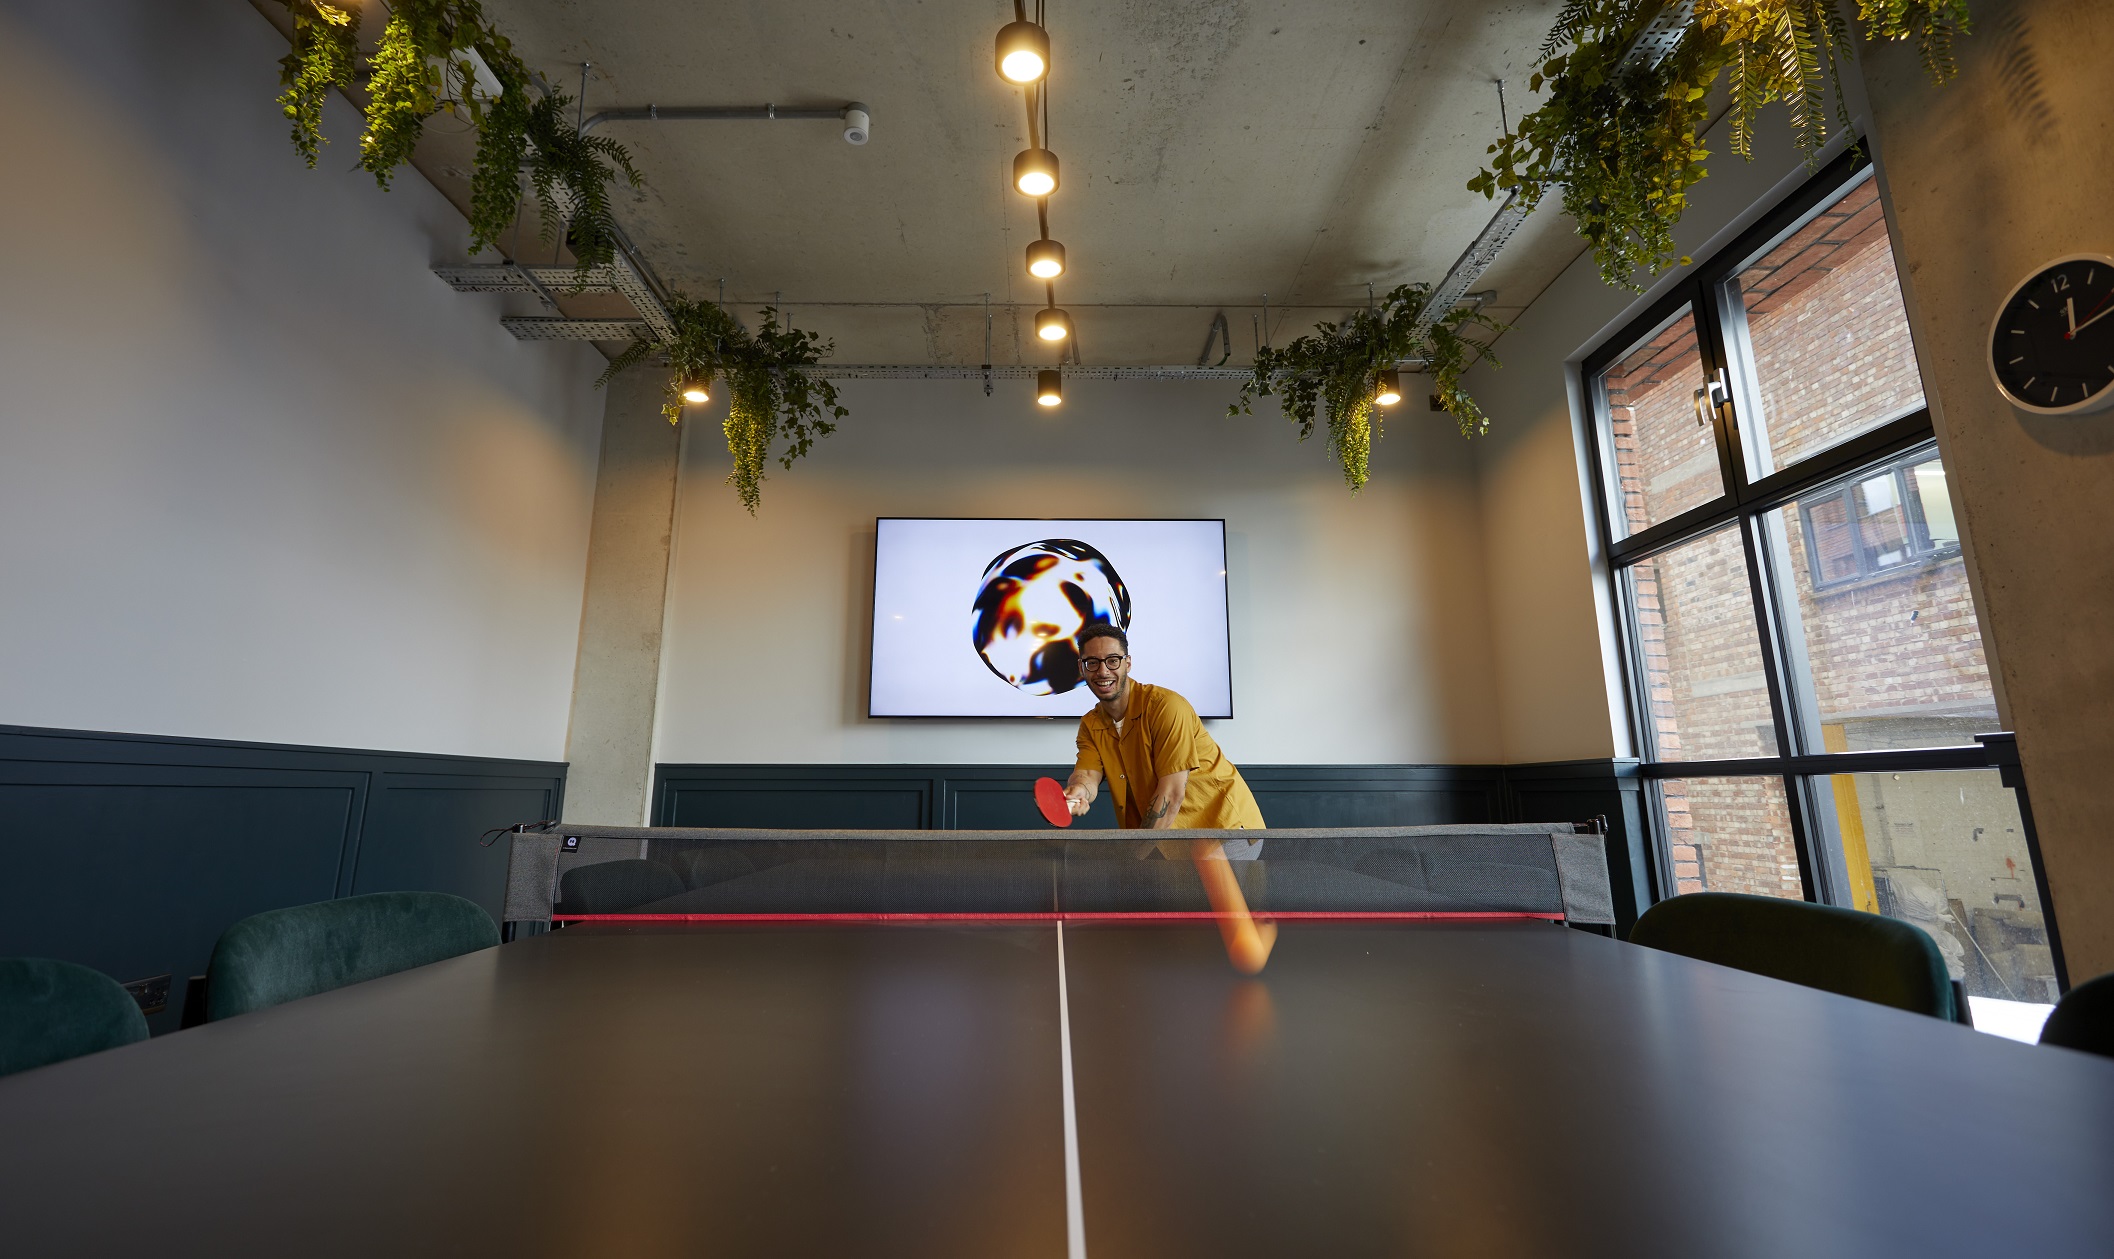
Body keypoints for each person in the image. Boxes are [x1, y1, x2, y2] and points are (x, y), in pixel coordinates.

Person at [1061, 622, 1265, 852]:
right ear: (1082, 667)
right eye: (1092, 662)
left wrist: (1137, 855)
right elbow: (1087, 775)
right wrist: (1078, 792)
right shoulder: (1090, 724)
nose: (1103, 671)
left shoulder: (1166, 707)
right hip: (1170, 839)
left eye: (1112, 660)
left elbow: (1171, 793)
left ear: (1127, 663)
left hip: (1223, 830)